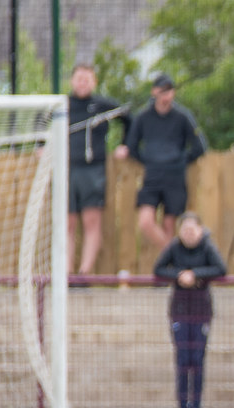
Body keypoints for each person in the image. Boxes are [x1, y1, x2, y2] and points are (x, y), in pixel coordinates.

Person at [152, 212, 227, 408]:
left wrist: (195, 275)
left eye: (192, 230)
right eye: (184, 230)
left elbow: (221, 269)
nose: (188, 234)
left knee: (198, 360)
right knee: (183, 360)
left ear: (200, 230)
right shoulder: (174, 247)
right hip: (180, 311)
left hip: (201, 311)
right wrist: (179, 275)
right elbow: (158, 269)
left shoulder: (207, 247)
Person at [122, 74, 208, 251]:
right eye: (162, 91)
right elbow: (131, 146)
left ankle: (169, 272)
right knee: (146, 222)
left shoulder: (182, 116)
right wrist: (147, 160)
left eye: (169, 91)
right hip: (152, 177)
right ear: (154, 92)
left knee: (170, 225)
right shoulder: (143, 117)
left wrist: (181, 160)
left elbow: (200, 146)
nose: (165, 96)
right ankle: (174, 256)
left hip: (175, 177)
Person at [66, 63, 130, 276]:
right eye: (79, 78)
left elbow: (129, 118)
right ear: (72, 81)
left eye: (87, 79)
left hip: (93, 170)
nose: (82, 83)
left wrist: (125, 144)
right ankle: (66, 275)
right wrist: (40, 146)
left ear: (94, 82)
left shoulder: (102, 105)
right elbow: (41, 122)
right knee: (68, 223)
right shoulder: (62, 105)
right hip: (67, 169)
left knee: (91, 221)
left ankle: (83, 274)